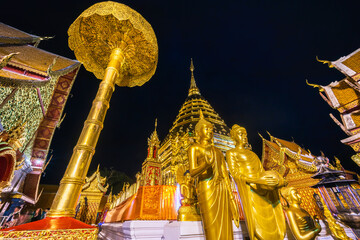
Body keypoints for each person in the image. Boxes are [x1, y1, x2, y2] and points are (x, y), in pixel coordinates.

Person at [226, 124, 287, 240]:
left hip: (262, 188)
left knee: (271, 218)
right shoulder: (231, 153)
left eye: (245, 134)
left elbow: (261, 171)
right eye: (240, 134)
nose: (244, 136)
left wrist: (274, 180)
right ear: (233, 137)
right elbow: (235, 174)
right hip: (249, 188)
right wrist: (255, 180)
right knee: (256, 223)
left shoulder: (252, 154)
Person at [188, 111, 239, 239]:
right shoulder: (194, 148)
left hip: (221, 188)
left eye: (211, 129)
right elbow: (192, 172)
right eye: (206, 128)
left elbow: (225, 175)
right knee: (211, 226)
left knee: (226, 225)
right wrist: (205, 165)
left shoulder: (218, 152)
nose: (210, 131)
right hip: (206, 187)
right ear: (198, 132)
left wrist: (232, 201)